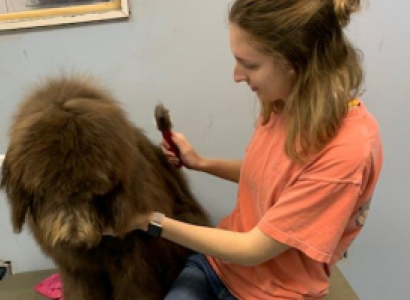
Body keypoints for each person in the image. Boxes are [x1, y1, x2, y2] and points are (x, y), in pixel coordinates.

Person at [107, 0, 384, 299]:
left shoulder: (346, 152)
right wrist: (201, 162)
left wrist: (147, 220)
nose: (236, 75)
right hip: (217, 267)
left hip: (274, 291)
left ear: (297, 62)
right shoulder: (285, 101)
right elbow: (275, 178)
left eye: (250, 64)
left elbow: (254, 249)